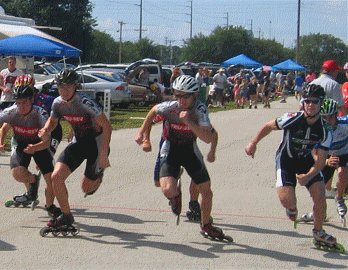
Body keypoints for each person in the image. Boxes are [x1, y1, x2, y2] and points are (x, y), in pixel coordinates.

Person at [245, 84, 341, 248]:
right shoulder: (292, 117)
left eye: (315, 102)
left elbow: (320, 161)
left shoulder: (325, 130)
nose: (310, 105)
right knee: (287, 201)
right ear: (303, 102)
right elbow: (269, 125)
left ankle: (319, 232)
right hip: (286, 159)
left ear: (321, 103)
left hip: (305, 160)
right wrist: (254, 143)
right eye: (307, 101)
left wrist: (309, 176)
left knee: (320, 196)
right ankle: (291, 208)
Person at [136, 75, 227, 238]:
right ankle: (176, 195)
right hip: (170, 149)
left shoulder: (200, 109)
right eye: (177, 95)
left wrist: (190, 124)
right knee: (166, 189)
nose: (181, 100)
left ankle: (206, 225)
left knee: (207, 191)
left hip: (189, 150)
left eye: (185, 96)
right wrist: (143, 136)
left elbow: (207, 138)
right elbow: (152, 113)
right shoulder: (170, 107)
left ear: (194, 95)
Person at [38, 68, 112, 229]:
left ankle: (98, 175)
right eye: (60, 87)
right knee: (56, 177)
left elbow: (106, 126)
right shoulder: (58, 103)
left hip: (95, 144)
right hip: (79, 142)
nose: (63, 91)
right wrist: (45, 130)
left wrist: (104, 153)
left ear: (75, 86)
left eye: (67, 87)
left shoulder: (84, 102)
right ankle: (66, 216)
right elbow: (52, 122)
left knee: (87, 189)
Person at [299, 99, 347, 222]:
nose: (328, 121)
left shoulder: (345, 123)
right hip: (326, 156)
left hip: (344, 154)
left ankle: (339, 197)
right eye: (324, 118)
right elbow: (315, 154)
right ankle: (318, 213)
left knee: (342, 173)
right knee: (319, 189)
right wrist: (326, 162)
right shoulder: (317, 130)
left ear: (336, 115)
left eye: (331, 117)